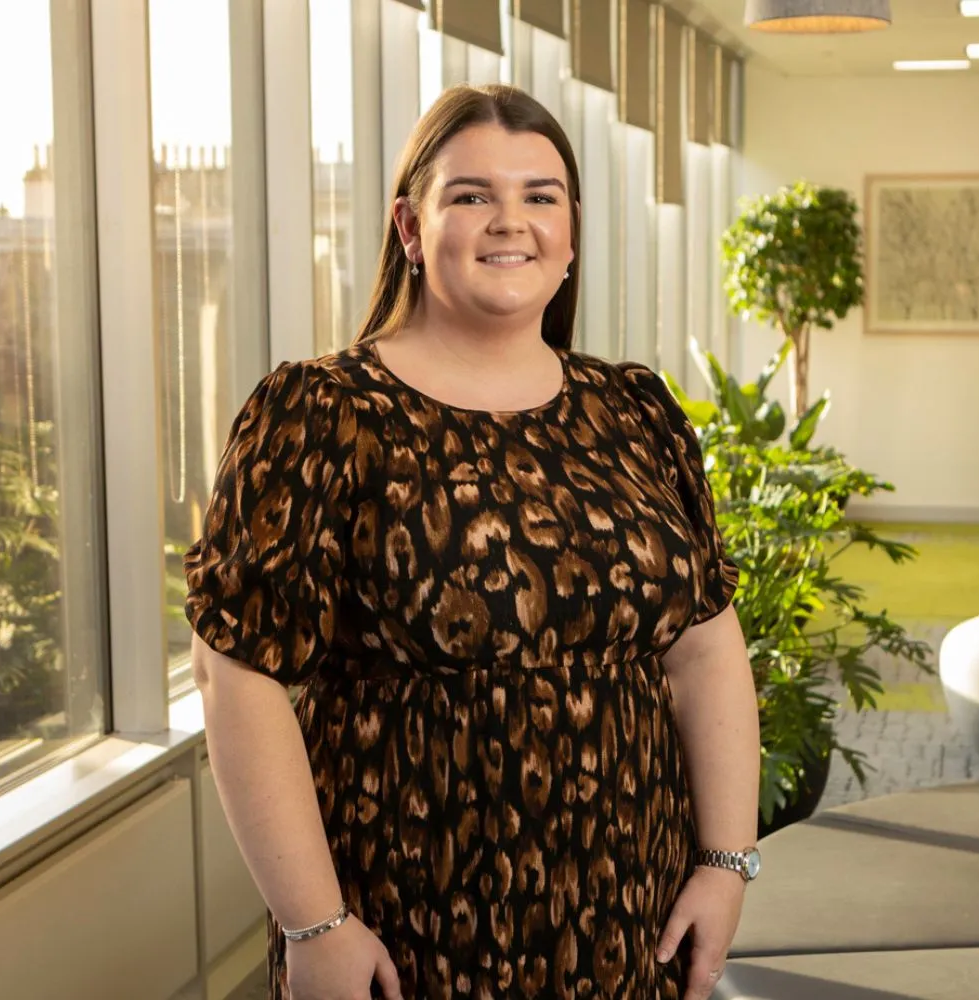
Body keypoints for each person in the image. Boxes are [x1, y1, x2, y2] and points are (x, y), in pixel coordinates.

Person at [185, 83, 762, 1000]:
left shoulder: (634, 411)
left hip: (630, 914)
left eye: (541, 196)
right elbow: (237, 675)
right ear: (410, 229)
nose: (511, 221)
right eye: (470, 195)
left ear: (570, 234)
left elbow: (703, 648)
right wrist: (315, 925)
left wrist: (727, 861)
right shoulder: (320, 412)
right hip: (404, 924)